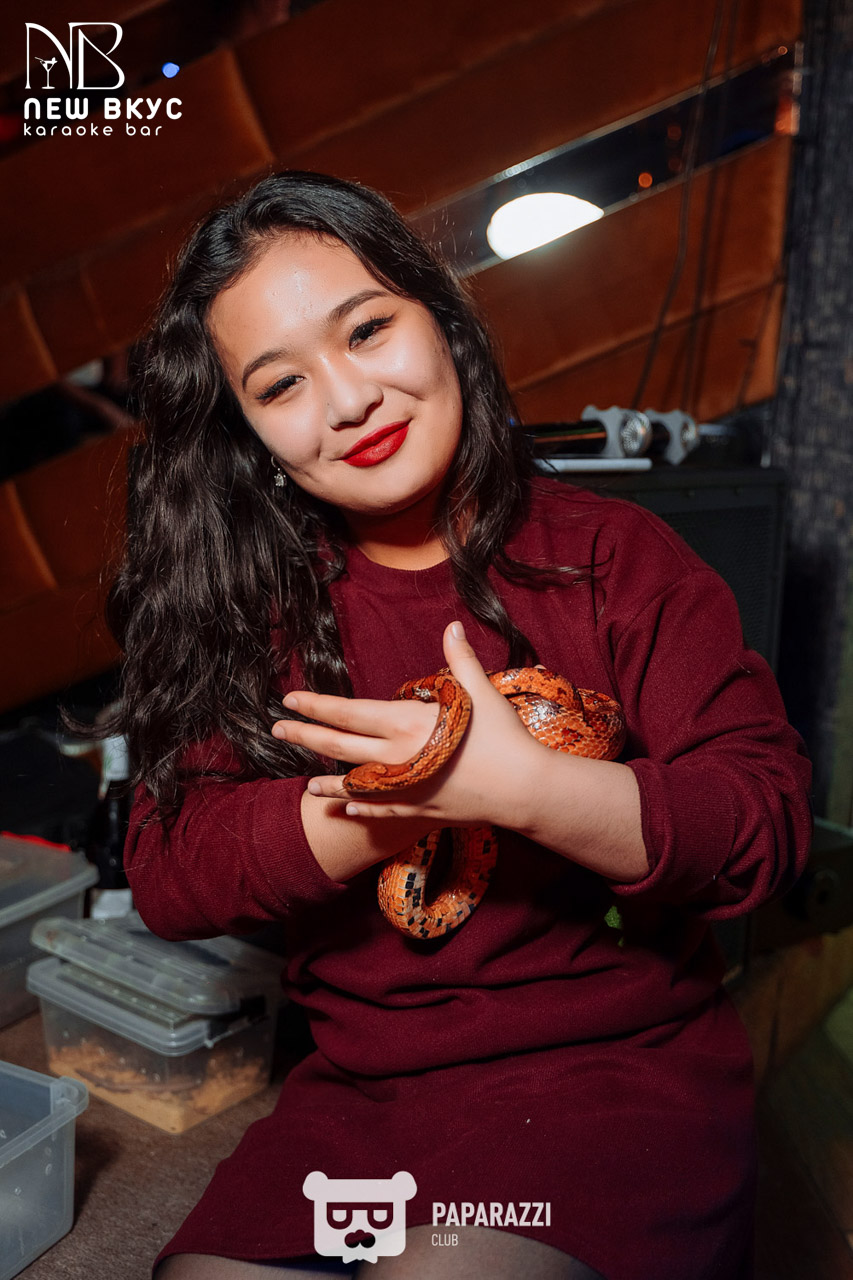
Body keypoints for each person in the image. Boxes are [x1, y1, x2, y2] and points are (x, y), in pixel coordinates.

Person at [110, 170, 812, 1280]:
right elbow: (170, 872)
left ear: (441, 315)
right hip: (362, 1093)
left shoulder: (616, 559)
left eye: (367, 330)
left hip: (614, 1078)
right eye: (281, 382)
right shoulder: (251, 607)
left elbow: (762, 824)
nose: (347, 400)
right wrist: (387, 804)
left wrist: (520, 787)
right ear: (248, 433)